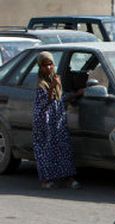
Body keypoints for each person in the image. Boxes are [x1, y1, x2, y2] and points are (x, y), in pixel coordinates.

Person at [33, 51, 81, 190]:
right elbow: (44, 103)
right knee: (46, 150)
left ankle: (67, 178)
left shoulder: (55, 79)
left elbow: (59, 99)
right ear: (40, 67)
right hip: (44, 122)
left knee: (63, 148)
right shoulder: (41, 83)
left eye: (50, 64)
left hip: (57, 121)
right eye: (44, 65)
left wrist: (76, 94)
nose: (48, 68)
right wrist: (53, 87)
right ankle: (46, 180)